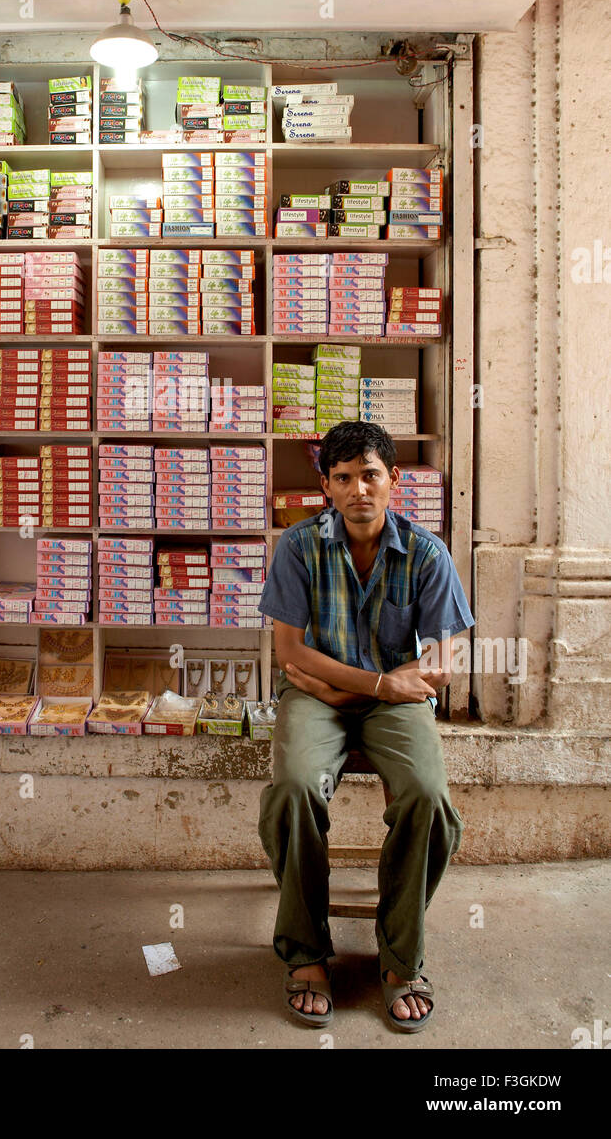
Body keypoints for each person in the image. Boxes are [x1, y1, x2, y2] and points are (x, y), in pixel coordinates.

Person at [257, 421, 474, 1031]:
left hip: (384, 699)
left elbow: (438, 666)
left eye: (370, 475)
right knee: (296, 789)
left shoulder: (427, 553)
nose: (358, 490)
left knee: (429, 798)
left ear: (393, 481)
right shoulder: (298, 547)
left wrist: (370, 685)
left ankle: (400, 955)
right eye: (343, 477)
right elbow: (292, 655)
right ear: (325, 485)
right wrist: (375, 683)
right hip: (325, 697)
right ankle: (306, 953)